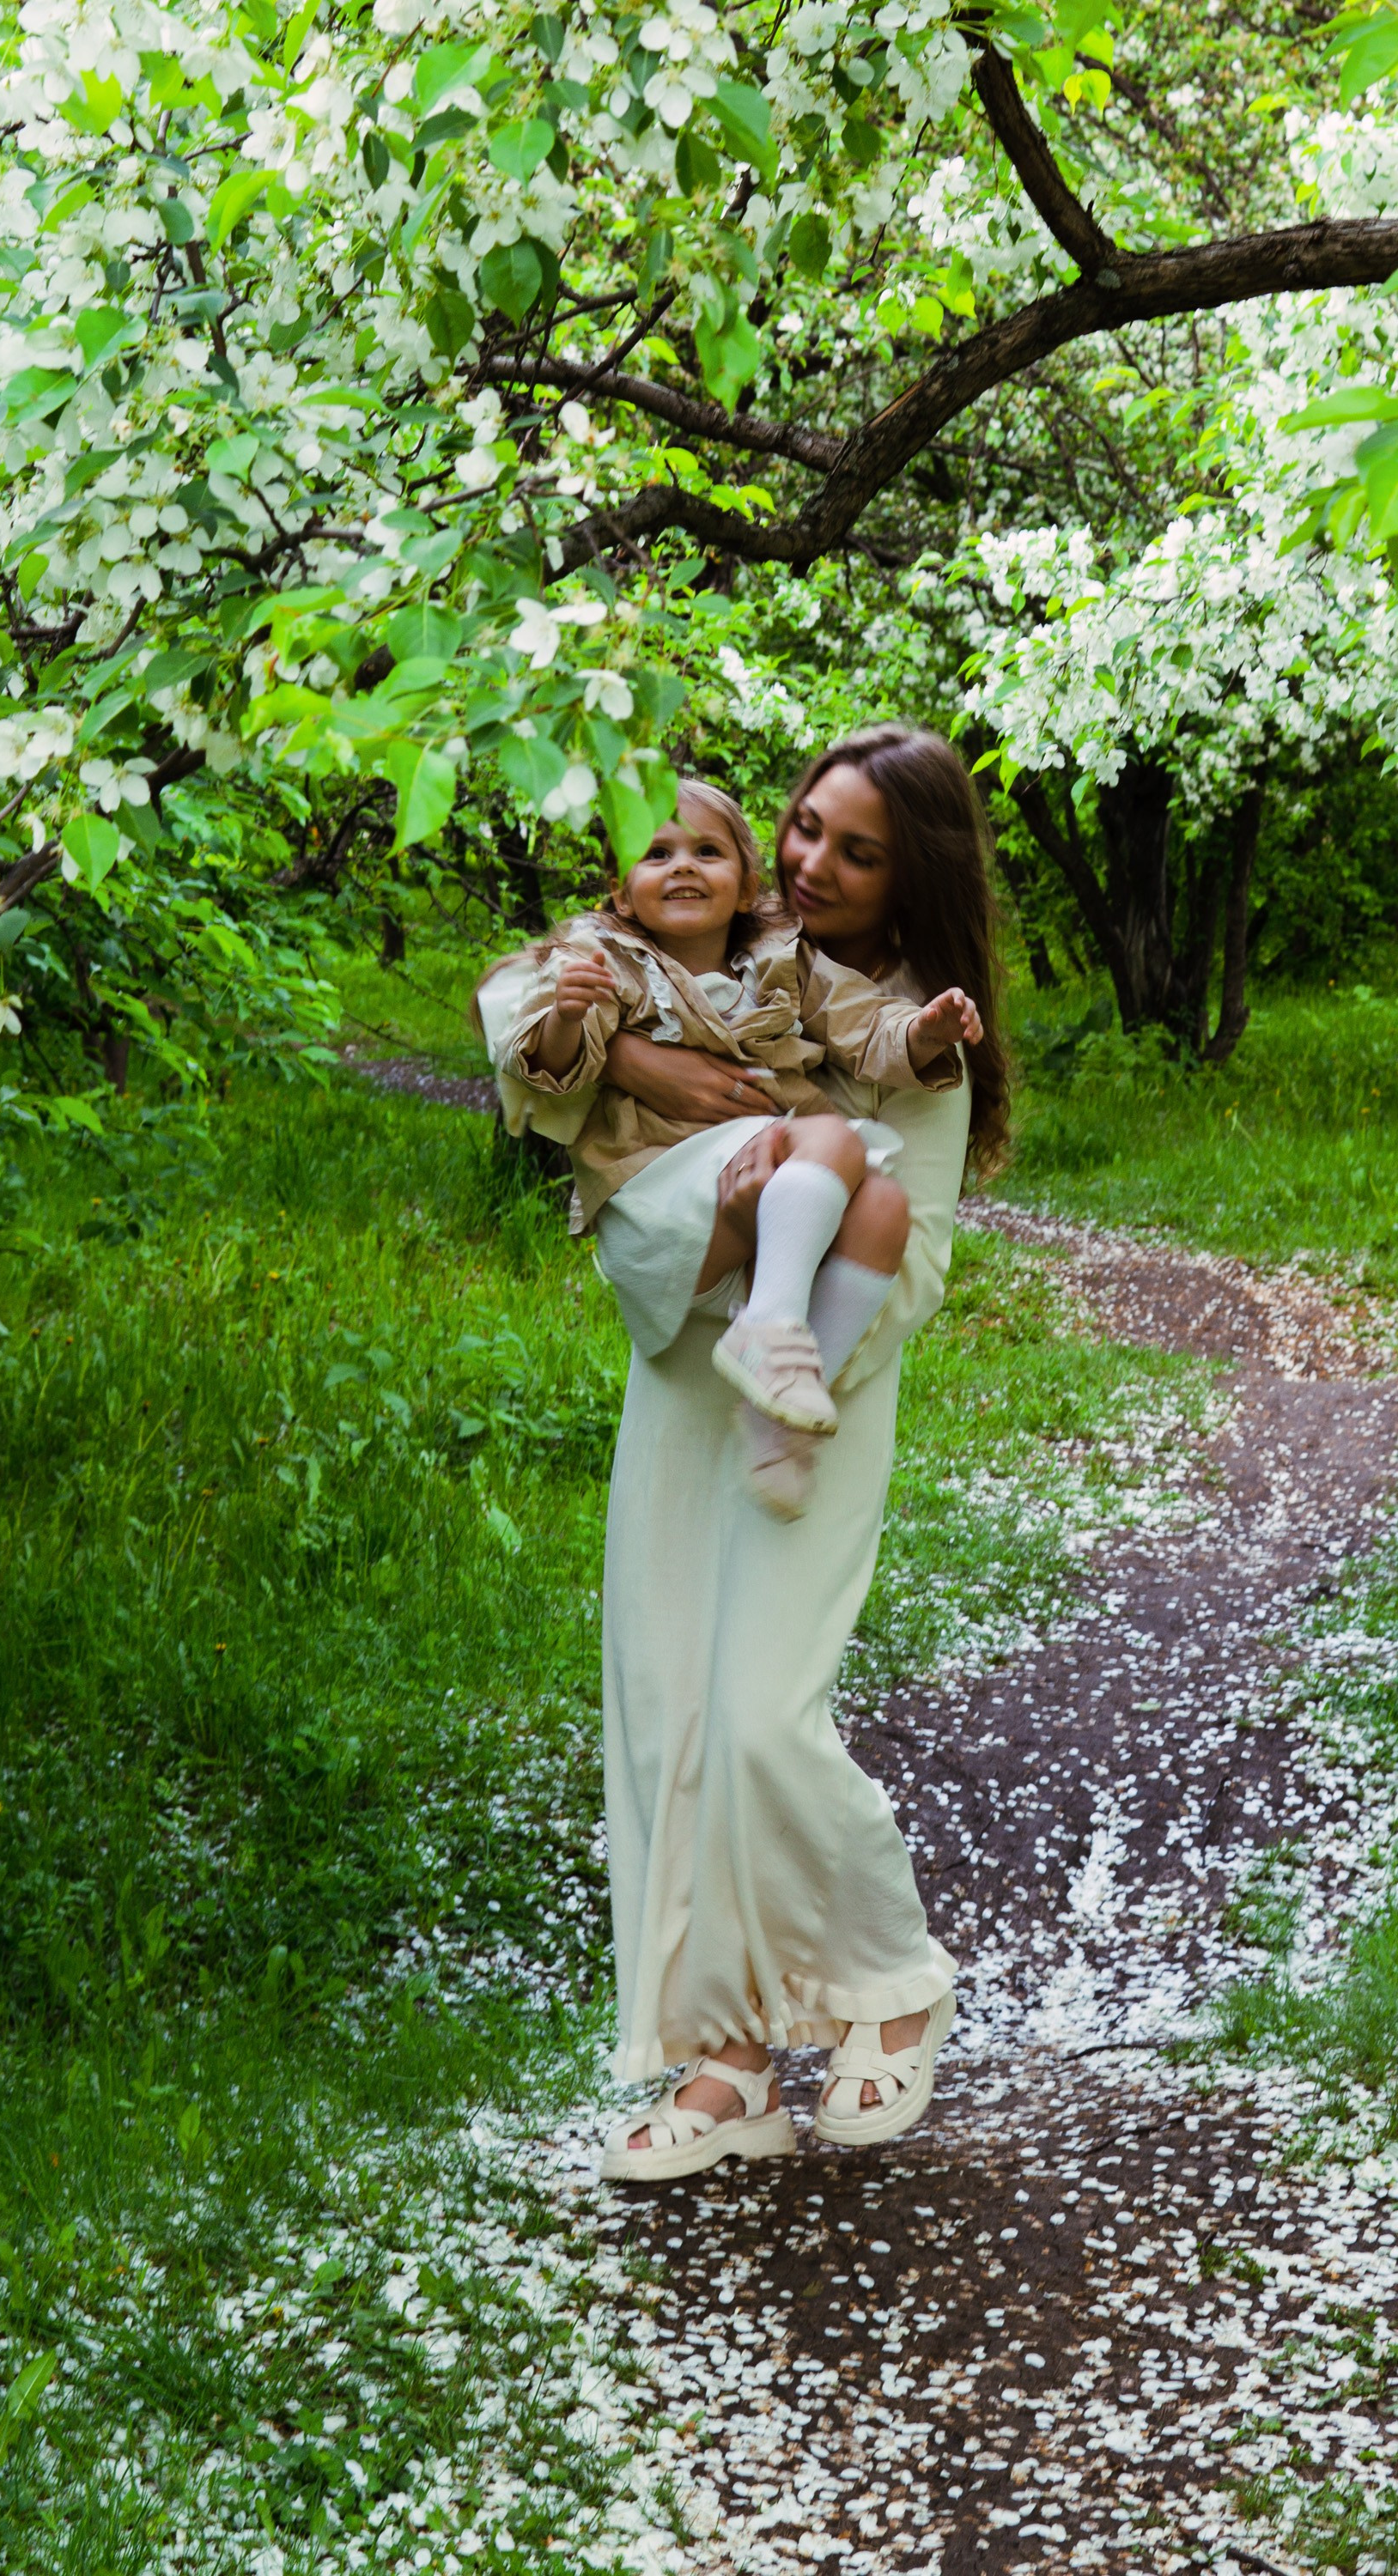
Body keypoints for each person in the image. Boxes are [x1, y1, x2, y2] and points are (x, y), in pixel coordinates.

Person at [479, 726, 1009, 2179]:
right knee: (669, 1712)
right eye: (801, 828)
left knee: (765, 1713)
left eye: (856, 849)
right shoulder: (711, 949)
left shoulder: (906, 1029)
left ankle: (890, 1990)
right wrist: (642, 1052)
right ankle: (722, 2058)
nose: (808, 863)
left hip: (812, 1385)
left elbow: (912, 1250)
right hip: (680, 1377)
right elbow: (540, 1062)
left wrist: (789, 1321)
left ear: (917, 874)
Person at [488, 777, 980, 1465]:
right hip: (657, 1197)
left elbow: (861, 1021)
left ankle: (780, 1420)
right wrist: (569, 1015)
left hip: (758, 1221)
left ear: (747, 887)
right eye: (655, 853)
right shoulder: (604, 961)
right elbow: (544, 1057)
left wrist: (923, 1034)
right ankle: (773, 1324)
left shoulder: (785, 960)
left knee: (884, 1211)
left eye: (707, 851)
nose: (682, 865)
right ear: (622, 893)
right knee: (830, 1136)